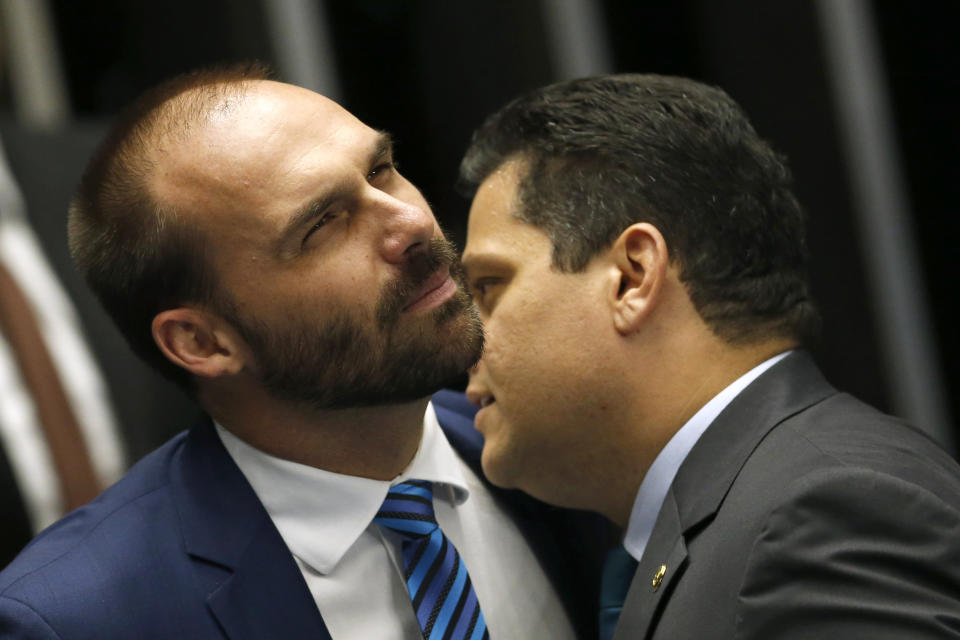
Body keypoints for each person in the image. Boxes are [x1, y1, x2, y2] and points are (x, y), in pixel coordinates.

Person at [0, 64, 601, 640]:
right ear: (202, 343)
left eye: (382, 170)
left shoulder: (580, 448)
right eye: (323, 224)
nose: (412, 223)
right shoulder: (79, 619)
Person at [457, 73, 960, 639]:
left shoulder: (821, 510)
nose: (463, 339)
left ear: (632, 278)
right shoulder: (763, 502)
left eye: (488, 287)